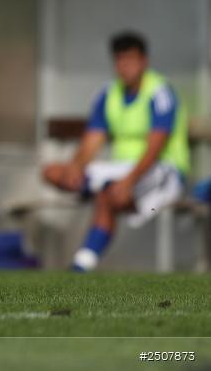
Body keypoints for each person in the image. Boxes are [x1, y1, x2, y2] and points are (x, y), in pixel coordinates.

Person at [42, 32, 190, 272]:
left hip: (162, 171)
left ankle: (80, 267)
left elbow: (156, 147)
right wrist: (76, 168)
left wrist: (130, 180)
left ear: (144, 61)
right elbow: (91, 142)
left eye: (130, 60)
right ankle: (98, 190)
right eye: (120, 60)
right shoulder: (108, 94)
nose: (125, 66)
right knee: (53, 172)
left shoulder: (159, 93)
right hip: (122, 168)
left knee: (108, 195)